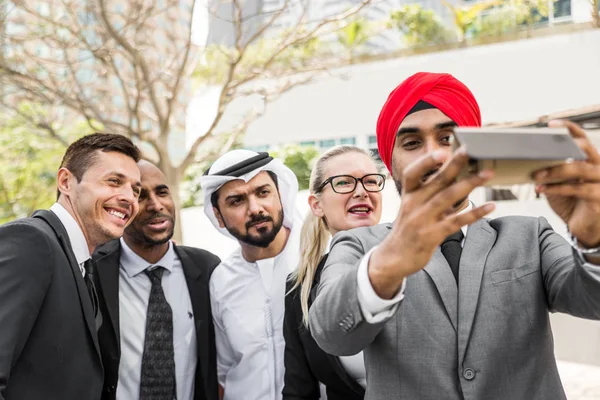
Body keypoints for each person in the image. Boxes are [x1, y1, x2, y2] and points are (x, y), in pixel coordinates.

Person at [308, 72, 600, 400]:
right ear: (390, 165)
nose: (434, 156)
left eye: (449, 139)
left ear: (473, 152)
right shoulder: (359, 246)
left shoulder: (529, 236)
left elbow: (593, 298)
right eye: (412, 143)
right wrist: (387, 264)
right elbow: (331, 334)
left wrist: (594, 239)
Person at [0, 133, 141, 400]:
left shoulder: (84, 265)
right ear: (66, 182)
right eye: (114, 181)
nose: (129, 198)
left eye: (135, 190)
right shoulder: (30, 242)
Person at [93, 160, 220, 400]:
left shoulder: (208, 269)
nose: (156, 205)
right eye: (140, 196)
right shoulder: (92, 272)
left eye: (163, 192)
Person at [199, 150, 303, 400]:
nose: (255, 209)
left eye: (263, 192)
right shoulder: (221, 279)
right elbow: (223, 370)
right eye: (236, 201)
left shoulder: (318, 256)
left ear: (281, 196)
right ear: (218, 216)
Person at [283, 145, 384, 400]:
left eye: (371, 181)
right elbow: (299, 390)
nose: (361, 191)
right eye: (344, 183)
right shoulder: (300, 289)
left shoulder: (422, 263)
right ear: (316, 205)